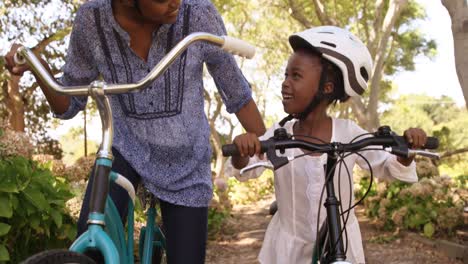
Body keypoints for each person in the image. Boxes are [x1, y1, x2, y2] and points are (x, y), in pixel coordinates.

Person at [4, 0, 266, 263]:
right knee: (91, 242)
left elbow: (235, 90)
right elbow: (69, 102)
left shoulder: (197, 14)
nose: (176, 1)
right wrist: (38, 67)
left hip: (186, 160)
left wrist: (265, 142)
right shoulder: (92, 20)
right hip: (126, 148)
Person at [227, 26, 428, 264]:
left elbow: (387, 165)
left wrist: (406, 152)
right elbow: (246, 168)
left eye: (296, 76)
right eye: (285, 75)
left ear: (327, 88)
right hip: (288, 250)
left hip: (340, 242)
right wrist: (244, 148)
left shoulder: (348, 132)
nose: (285, 83)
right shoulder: (279, 135)